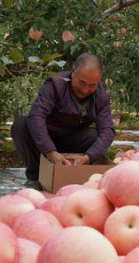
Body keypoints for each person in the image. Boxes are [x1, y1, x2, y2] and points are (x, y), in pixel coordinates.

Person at [11, 53, 115, 187]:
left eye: (92, 85)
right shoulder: (55, 84)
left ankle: (75, 176)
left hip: (71, 142)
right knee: (21, 125)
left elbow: (108, 130)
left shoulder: (101, 95)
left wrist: (88, 157)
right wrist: (50, 151)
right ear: (73, 72)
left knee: (93, 136)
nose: (85, 89)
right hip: (43, 140)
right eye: (82, 82)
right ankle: (35, 177)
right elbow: (36, 116)